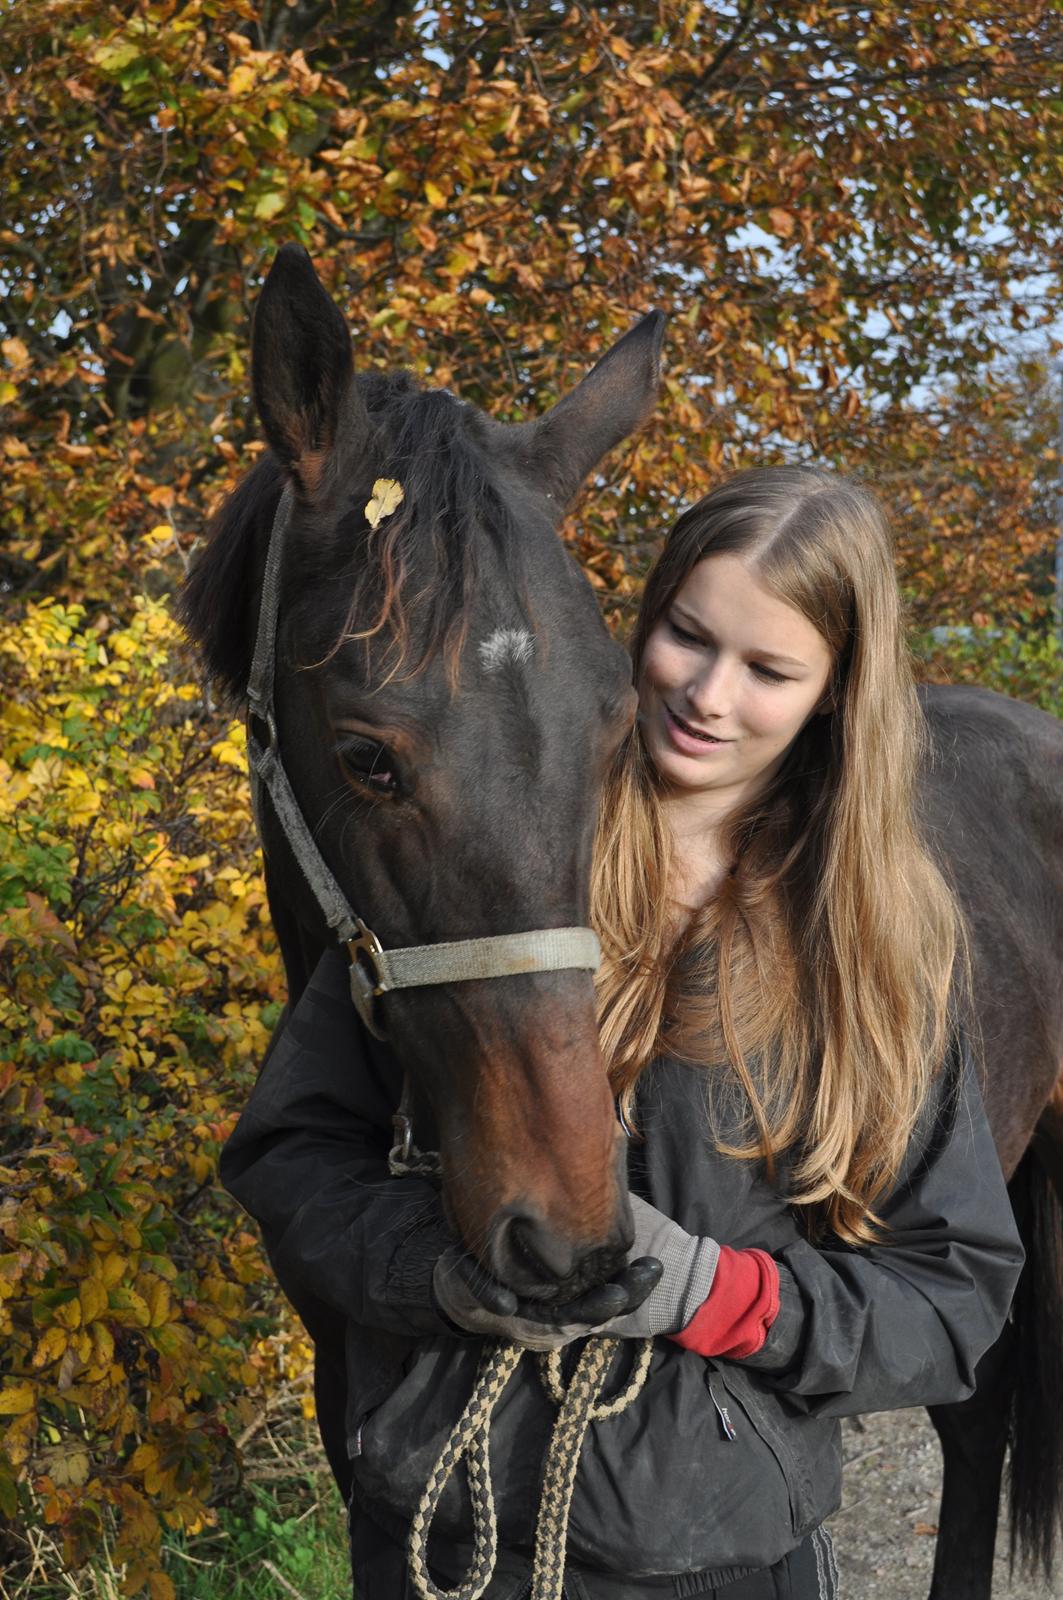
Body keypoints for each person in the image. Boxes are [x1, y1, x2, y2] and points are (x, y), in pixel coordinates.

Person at [221, 466, 1024, 1599]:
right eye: (687, 636)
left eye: (768, 669)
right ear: (640, 623)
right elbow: (290, 1158)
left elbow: (951, 1297)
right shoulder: (482, 865)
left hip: (719, 1560)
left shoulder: (873, 953)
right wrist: (434, 1274)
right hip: (444, 1548)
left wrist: (715, 1292)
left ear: (835, 693)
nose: (706, 692)